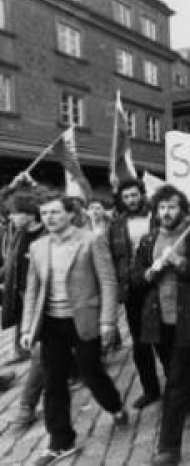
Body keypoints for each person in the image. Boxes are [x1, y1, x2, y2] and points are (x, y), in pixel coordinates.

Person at [20, 191, 128, 466]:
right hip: (51, 323)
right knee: (53, 380)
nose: (49, 218)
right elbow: (33, 290)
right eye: (44, 213)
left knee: (91, 371)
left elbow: (107, 282)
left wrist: (108, 321)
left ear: (70, 214)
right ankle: (60, 440)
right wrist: (26, 328)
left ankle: (114, 405)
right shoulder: (38, 247)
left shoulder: (91, 241)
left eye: (55, 212)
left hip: (85, 319)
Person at [131, 185, 190, 465]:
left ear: (182, 208)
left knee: (176, 380)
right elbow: (134, 277)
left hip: (188, 317)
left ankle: (168, 447)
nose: (166, 212)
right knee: (173, 372)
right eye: (161, 207)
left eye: (171, 206)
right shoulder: (148, 240)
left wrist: (180, 262)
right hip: (157, 319)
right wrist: (149, 273)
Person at [109, 179, 161, 409]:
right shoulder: (117, 224)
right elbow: (114, 257)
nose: (131, 200)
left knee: (163, 339)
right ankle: (150, 389)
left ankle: (180, 388)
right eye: (126, 196)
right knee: (140, 344)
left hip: (156, 284)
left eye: (134, 195)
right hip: (132, 289)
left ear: (142, 194)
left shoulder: (156, 217)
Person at [1, 191, 46, 426]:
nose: (11, 218)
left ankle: (26, 404)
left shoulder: (47, 234)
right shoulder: (18, 234)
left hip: (45, 300)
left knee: (42, 349)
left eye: (15, 214)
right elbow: (12, 260)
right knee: (37, 345)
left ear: (29, 215)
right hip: (22, 296)